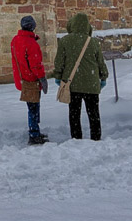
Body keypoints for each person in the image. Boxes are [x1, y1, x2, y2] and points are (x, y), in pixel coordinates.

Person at [51, 12, 108, 141]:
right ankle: (96, 136)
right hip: (91, 84)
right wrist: (103, 77)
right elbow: (100, 62)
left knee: (74, 113)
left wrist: (58, 76)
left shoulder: (65, 40)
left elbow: (59, 61)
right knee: (93, 113)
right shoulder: (93, 42)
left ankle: (76, 137)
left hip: (72, 84)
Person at [10, 15, 49, 144]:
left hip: (22, 79)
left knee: (32, 107)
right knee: (33, 108)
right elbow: (35, 65)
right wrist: (42, 78)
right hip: (31, 81)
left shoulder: (15, 40)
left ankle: (35, 130)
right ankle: (34, 134)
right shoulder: (31, 44)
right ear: (32, 26)